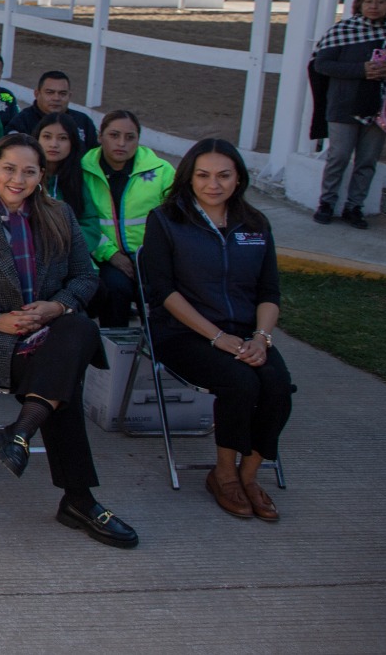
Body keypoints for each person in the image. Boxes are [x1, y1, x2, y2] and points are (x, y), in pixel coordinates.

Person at [0, 134, 137, 549]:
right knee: (64, 382)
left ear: (42, 176)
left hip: (48, 333)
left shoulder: (59, 215)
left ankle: (22, 432)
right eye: (9, 168)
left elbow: (85, 277)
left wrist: (54, 308)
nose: (18, 179)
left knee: (78, 329)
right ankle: (77, 498)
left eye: (29, 171)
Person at [139, 139, 292, 521]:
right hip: (183, 333)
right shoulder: (166, 220)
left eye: (224, 175)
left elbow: (269, 292)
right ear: (189, 178)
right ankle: (223, 473)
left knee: (277, 387)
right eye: (203, 175)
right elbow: (164, 292)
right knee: (241, 384)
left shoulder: (256, 224)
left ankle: (249, 475)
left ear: (238, 178)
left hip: (245, 334)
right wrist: (216, 337)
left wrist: (261, 338)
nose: (213, 184)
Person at [81, 110, 174, 329]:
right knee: (114, 290)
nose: (121, 143)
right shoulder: (81, 170)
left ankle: (161, 354)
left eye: (130, 137)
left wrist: (154, 256)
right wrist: (111, 254)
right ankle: (118, 354)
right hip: (105, 257)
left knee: (163, 299)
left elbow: (175, 219)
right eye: (114, 135)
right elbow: (80, 220)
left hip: (152, 258)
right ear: (100, 136)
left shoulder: (162, 171)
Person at [310, 0, 386, 227]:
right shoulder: (342, 30)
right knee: (339, 156)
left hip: (379, 109)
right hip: (344, 105)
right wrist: (361, 70)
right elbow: (322, 64)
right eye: (369, 1)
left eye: (381, 2)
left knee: (367, 161)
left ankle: (354, 207)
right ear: (359, 4)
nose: (374, 7)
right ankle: (327, 203)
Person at [33, 111, 103, 256]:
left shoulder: (78, 180)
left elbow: (90, 225)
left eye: (63, 138)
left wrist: (66, 246)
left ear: (73, 143)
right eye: (47, 137)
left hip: (70, 257)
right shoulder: (23, 178)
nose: (53, 144)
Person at [6, 71, 99, 151]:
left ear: (69, 96)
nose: (56, 98)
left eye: (62, 93)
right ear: (37, 94)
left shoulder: (83, 121)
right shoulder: (22, 121)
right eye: (50, 93)